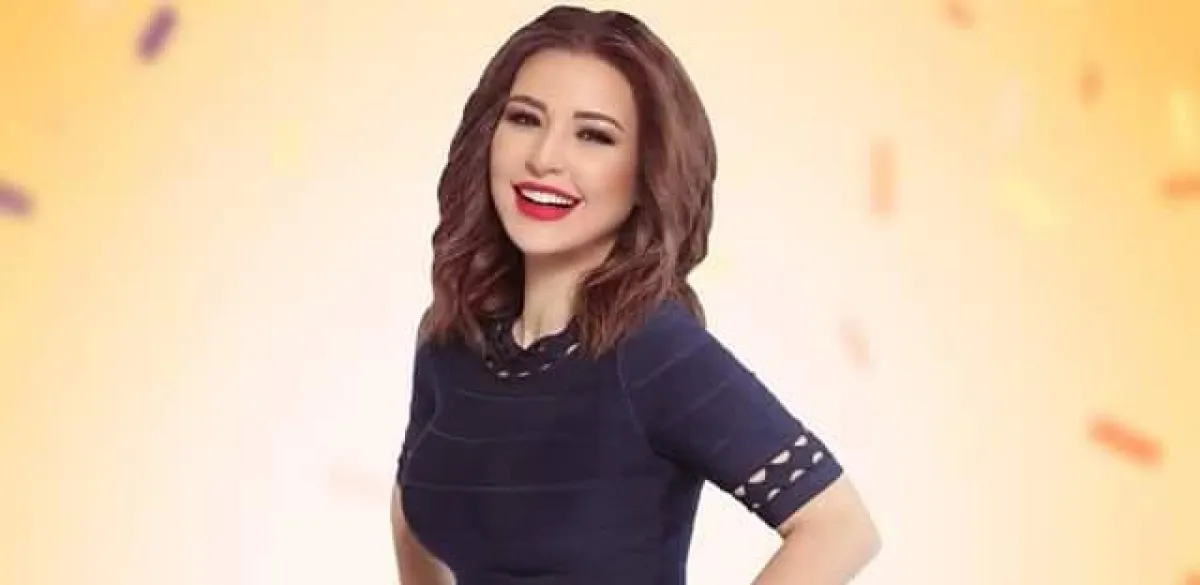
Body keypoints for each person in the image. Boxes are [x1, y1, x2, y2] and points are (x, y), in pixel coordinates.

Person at [390, 5, 880, 584]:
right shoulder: (450, 340)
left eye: (594, 135)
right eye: (524, 119)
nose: (544, 158)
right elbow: (411, 514)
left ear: (647, 170)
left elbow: (838, 527)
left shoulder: (655, 354)